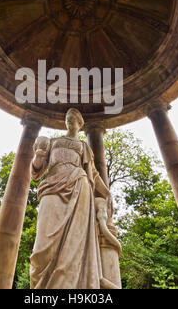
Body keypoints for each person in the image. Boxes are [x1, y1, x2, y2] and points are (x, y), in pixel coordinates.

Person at [30, 108, 111, 289]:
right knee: (41, 247)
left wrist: (106, 192)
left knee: (75, 243)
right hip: (52, 186)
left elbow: (94, 174)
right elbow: (36, 171)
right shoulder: (53, 141)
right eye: (67, 118)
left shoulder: (84, 147)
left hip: (79, 186)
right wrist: (38, 155)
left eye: (73, 118)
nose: (69, 120)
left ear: (80, 124)